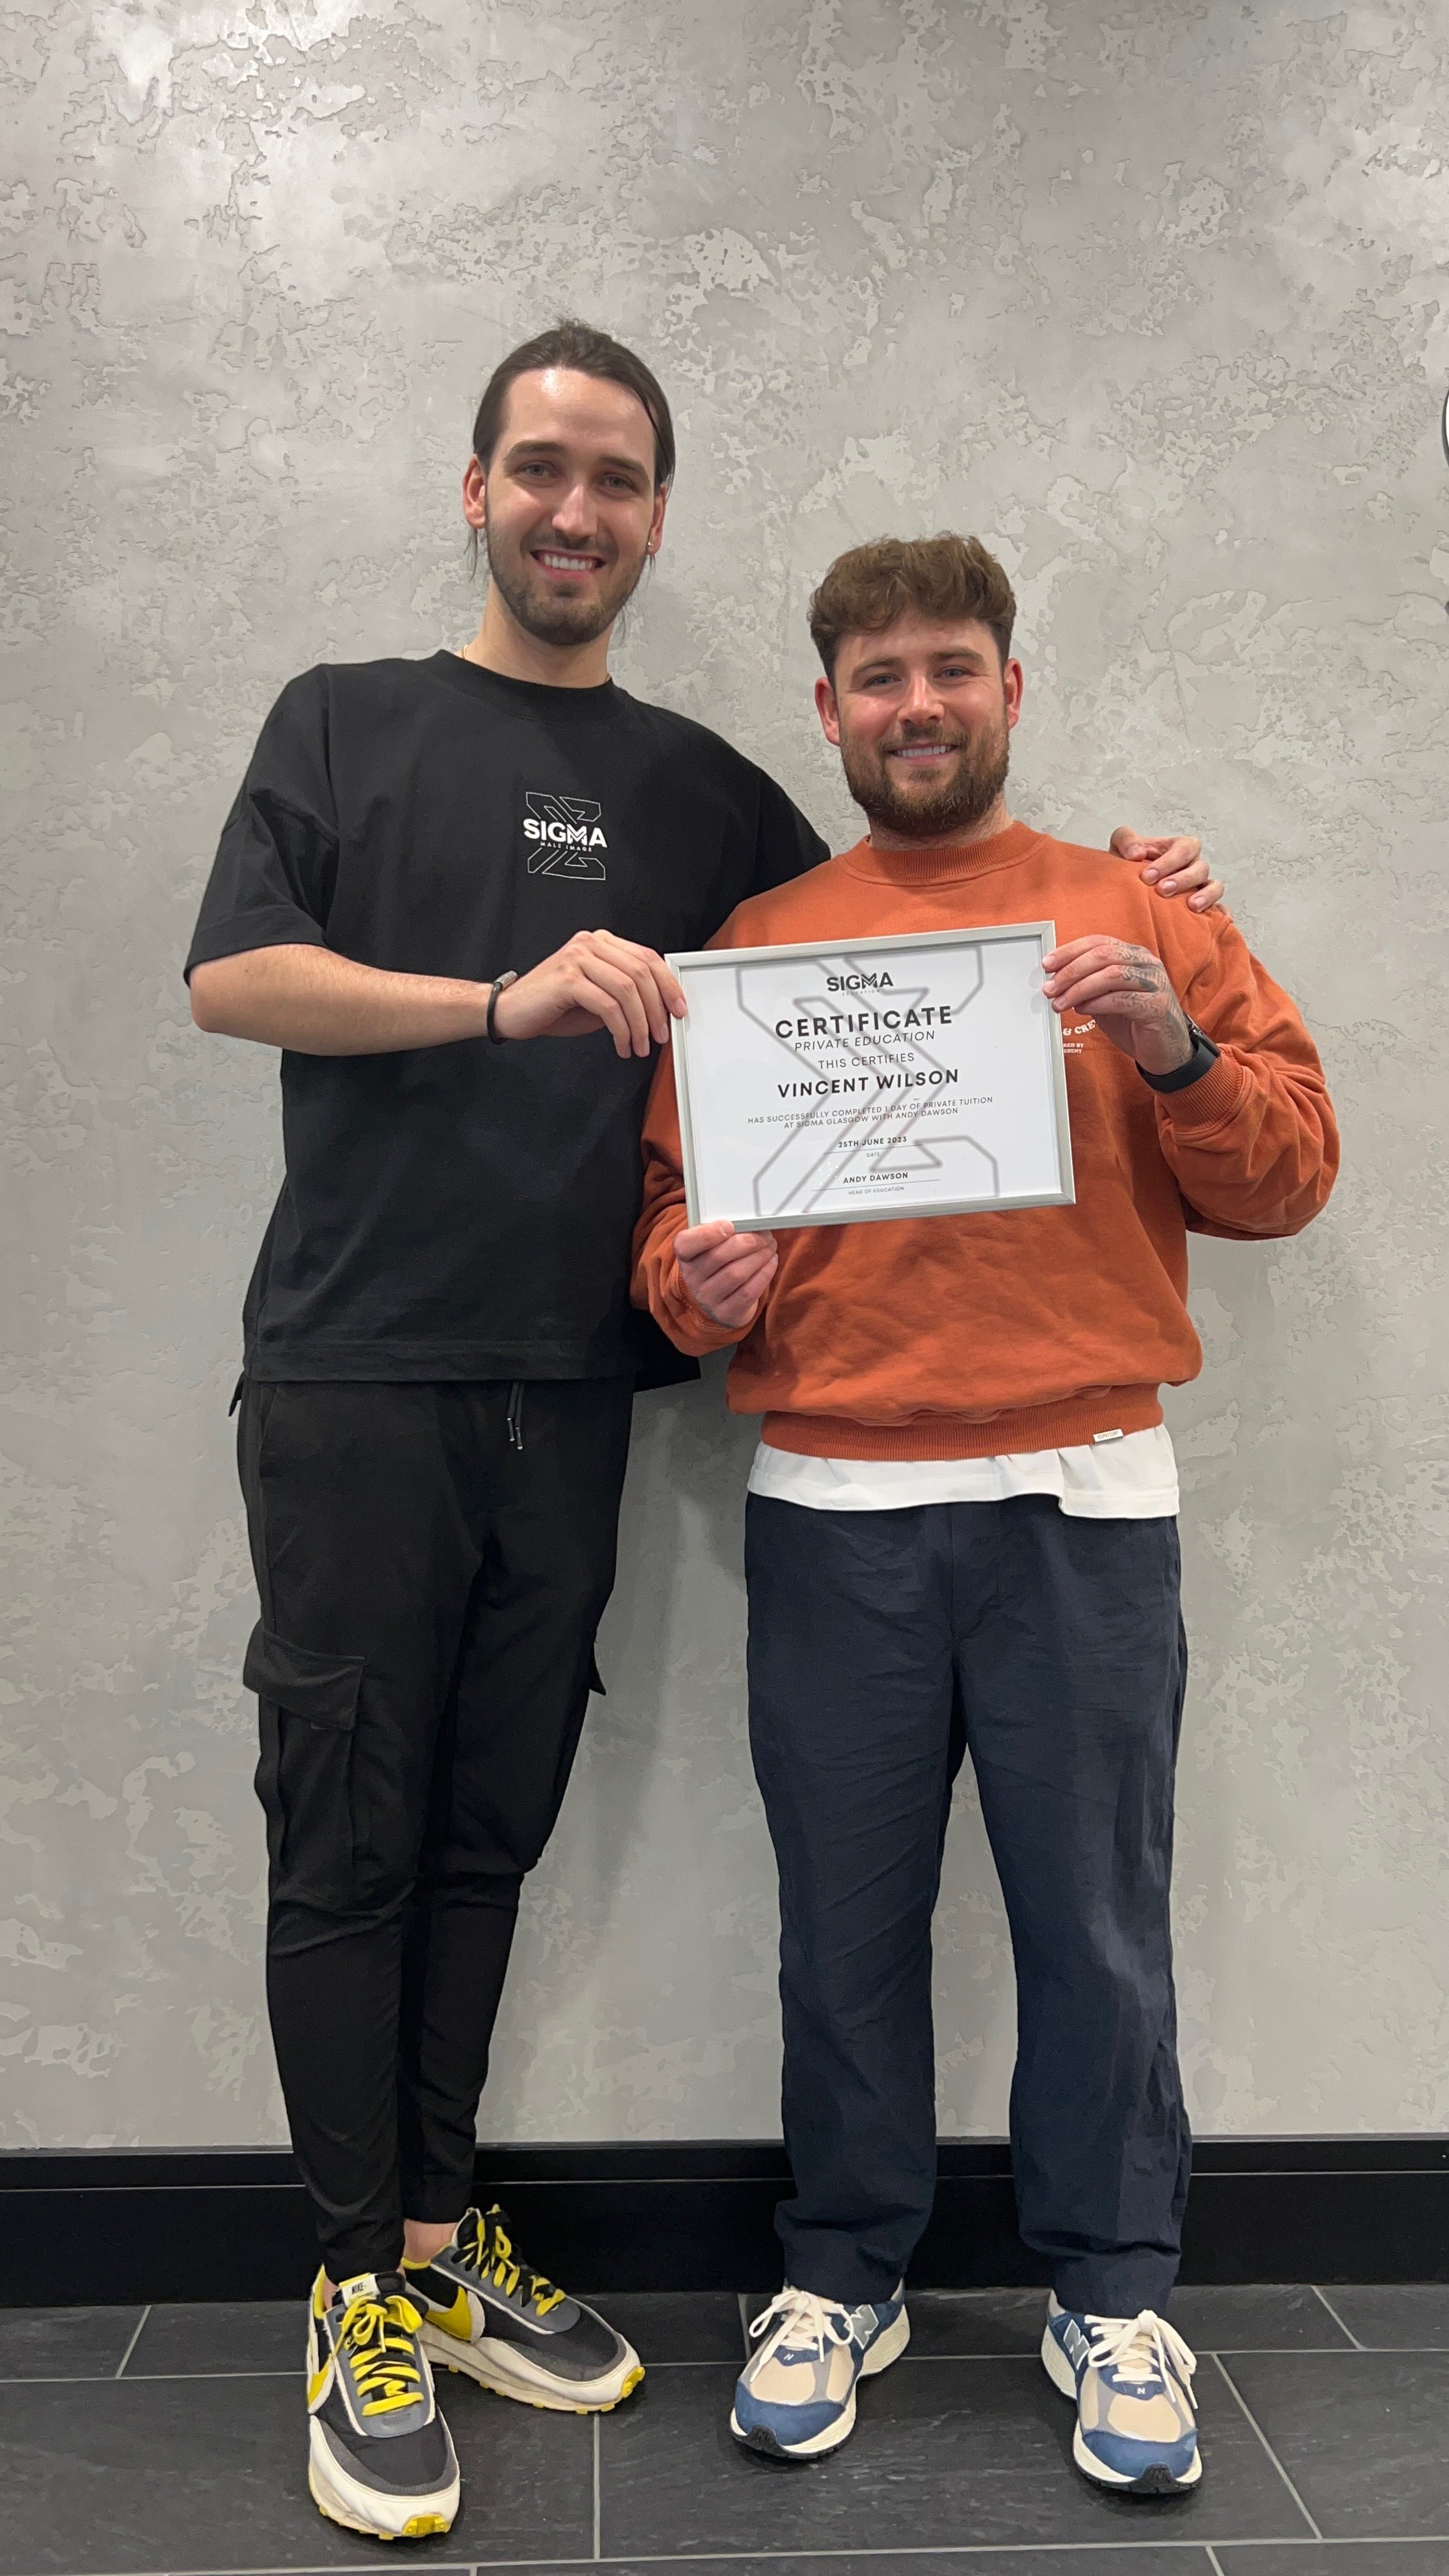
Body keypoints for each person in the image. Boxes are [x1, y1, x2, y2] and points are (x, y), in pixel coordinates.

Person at [187, 319, 1227, 2544]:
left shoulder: (710, 809)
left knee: (491, 1832)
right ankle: (351, 2289)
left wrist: (1164, 923)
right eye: (541, 468)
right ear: (475, 486)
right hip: (365, 1374)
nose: (577, 511)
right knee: (353, 1833)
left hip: (595, 1405)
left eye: (621, 478)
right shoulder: (342, 723)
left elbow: (858, 974)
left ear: (657, 516)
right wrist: (502, 1006)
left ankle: (449, 2260)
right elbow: (227, 981)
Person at [634, 532, 1337, 2498]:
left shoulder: (1132, 913)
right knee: (839, 1930)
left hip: (1080, 1502)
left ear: (1009, 687)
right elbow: (669, 1229)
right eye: (877, 677)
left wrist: (1170, 1048)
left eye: (950, 666)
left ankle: (1110, 2285)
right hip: (830, 1505)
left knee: (1095, 1929)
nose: (917, 704)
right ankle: (840, 2270)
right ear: (830, 711)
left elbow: (1286, 1175)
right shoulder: (761, 942)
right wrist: (688, 1286)